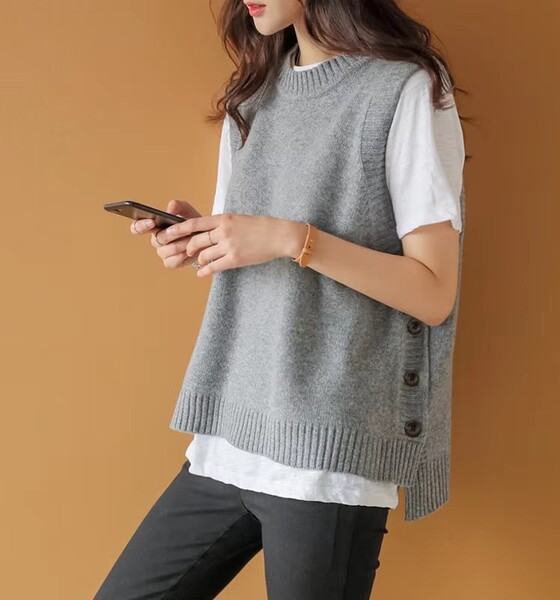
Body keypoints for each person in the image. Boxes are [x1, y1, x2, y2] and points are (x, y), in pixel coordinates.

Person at [94, 1, 467, 598]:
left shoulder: (404, 88)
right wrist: (203, 239)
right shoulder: (250, 97)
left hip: (327, 451)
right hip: (232, 432)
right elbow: (255, 253)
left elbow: (434, 292)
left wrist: (291, 239)